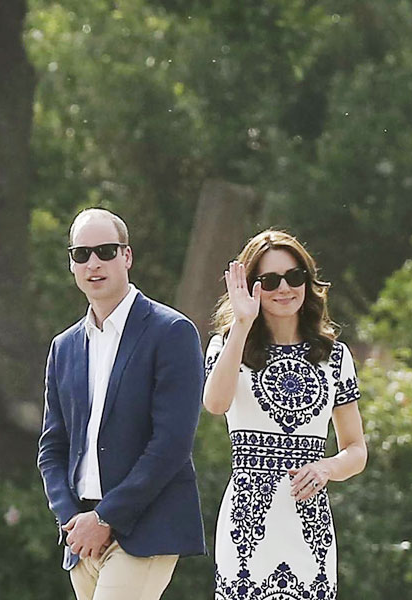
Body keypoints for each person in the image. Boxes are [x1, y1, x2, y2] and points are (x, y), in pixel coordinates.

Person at [37, 208, 206, 600]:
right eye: (82, 254)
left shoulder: (172, 332)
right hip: (82, 537)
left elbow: (171, 445)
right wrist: (72, 520)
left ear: (126, 257)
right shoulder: (63, 348)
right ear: (72, 264)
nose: (94, 263)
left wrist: (106, 517)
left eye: (106, 251)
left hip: (146, 528)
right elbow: (52, 447)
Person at [204, 229, 367, 599]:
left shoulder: (335, 357)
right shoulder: (228, 346)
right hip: (247, 523)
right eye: (269, 280)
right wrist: (242, 325)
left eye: (294, 277)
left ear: (308, 283)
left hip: (309, 526)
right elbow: (215, 404)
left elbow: (356, 449)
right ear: (250, 287)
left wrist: (326, 468)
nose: (284, 288)